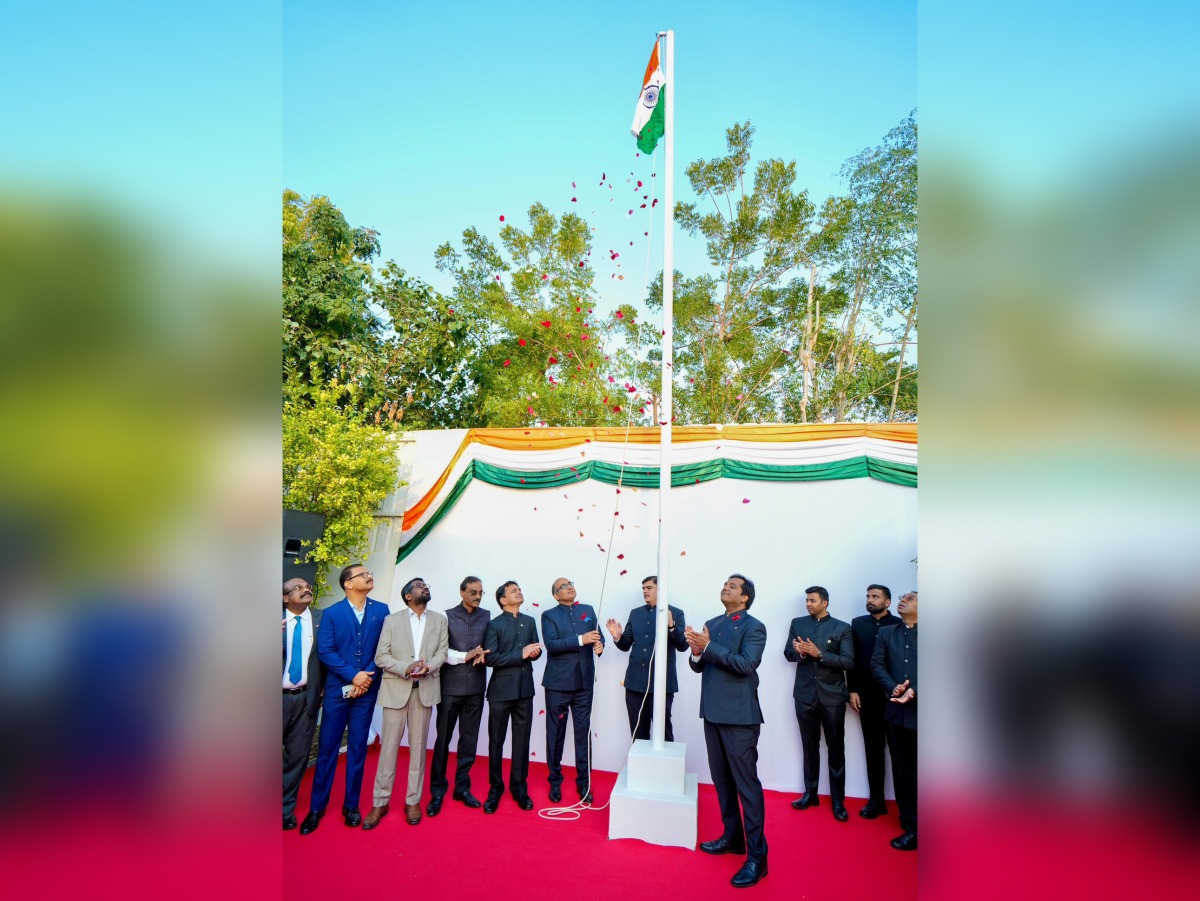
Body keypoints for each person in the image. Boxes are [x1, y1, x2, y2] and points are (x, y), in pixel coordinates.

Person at [686, 574, 769, 889]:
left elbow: (746, 664)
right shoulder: (712, 623)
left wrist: (708, 646)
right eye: (725, 584)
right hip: (712, 713)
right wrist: (696, 651)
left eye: (733, 586)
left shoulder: (754, 627)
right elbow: (699, 666)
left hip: (739, 717)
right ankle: (733, 838)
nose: (726, 587)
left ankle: (758, 858)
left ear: (745, 597)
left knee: (746, 786)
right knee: (722, 782)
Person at [299, 564, 389, 834]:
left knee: (358, 747)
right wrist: (353, 675)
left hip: (367, 690)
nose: (369, 576)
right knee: (328, 747)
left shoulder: (381, 610)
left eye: (370, 573)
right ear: (348, 584)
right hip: (337, 690)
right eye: (363, 574)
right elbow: (326, 650)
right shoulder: (332, 613)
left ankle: (351, 806)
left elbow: (384, 647)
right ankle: (317, 807)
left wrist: (366, 676)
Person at [363, 578, 448, 829]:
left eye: (426, 584)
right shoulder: (392, 620)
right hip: (396, 690)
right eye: (420, 585)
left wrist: (429, 666)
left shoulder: (439, 620)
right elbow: (381, 656)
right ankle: (380, 802)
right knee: (388, 749)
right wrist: (406, 668)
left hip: (425, 691)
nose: (426, 587)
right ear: (408, 596)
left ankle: (413, 801)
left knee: (418, 749)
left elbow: (442, 652)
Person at [784, 585, 854, 822]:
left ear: (825, 603)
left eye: (812, 600)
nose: (808, 604)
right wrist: (801, 653)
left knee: (836, 749)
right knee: (809, 747)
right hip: (804, 696)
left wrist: (819, 654)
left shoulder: (842, 628)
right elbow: (788, 653)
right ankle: (810, 794)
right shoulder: (797, 623)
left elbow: (848, 662)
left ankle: (838, 801)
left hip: (832, 697)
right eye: (806, 600)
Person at [426, 576, 491, 816]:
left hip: (476, 688)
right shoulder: (446, 616)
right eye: (473, 592)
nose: (478, 596)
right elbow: (440, 651)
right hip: (449, 688)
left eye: (481, 592)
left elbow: (489, 645)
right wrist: (465, 656)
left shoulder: (486, 616)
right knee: (443, 740)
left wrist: (485, 654)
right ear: (462, 592)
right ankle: (437, 792)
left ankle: (462, 788)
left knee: (469, 741)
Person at [541, 576, 604, 803]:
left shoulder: (587, 610)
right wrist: (580, 639)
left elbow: (598, 636)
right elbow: (552, 645)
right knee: (555, 734)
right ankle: (555, 782)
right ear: (555, 595)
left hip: (584, 684)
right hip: (558, 685)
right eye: (563, 586)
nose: (569, 588)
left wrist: (600, 644)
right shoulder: (549, 615)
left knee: (583, 734)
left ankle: (584, 783)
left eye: (571, 584)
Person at [482, 580, 542, 814]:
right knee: (496, 741)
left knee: (522, 741)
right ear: (503, 600)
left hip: (525, 690)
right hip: (500, 692)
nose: (519, 592)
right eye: (513, 591)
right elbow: (491, 659)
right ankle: (495, 789)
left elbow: (535, 651)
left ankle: (519, 789)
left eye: (519, 589)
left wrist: (534, 653)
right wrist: (521, 654)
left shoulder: (530, 621)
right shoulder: (494, 625)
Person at [606, 575, 688, 741]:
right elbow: (625, 645)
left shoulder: (676, 613)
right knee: (638, 733)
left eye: (649, 588)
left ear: (660, 589)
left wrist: (671, 625)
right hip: (634, 684)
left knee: (663, 734)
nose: (644, 591)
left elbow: (683, 646)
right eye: (643, 588)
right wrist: (617, 637)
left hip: (662, 684)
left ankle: (665, 759)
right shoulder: (635, 613)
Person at [847, 583, 902, 819]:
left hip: (895, 696)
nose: (870, 600)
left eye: (875, 596)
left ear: (887, 602)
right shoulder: (858, 624)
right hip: (867, 695)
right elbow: (853, 659)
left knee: (900, 753)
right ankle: (876, 801)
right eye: (868, 596)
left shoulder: (899, 623)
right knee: (873, 750)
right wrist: (853, 689)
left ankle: (905, 807)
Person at [872, 590, 918, 851]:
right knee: (903, 772)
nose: (903, 600)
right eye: (901, 597)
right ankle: (912, 828)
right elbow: (877, 665)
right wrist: (894, 687)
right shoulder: (887, 633)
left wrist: (916, 690)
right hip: (897, 715)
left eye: (910, 598)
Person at [283, 578, 323, 831]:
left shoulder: (323, 619)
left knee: (297, 756)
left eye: (307, 586)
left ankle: (284, 808)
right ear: (285, 598)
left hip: (307, 698)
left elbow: (329, 655)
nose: (305, 589)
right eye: (297, 588)